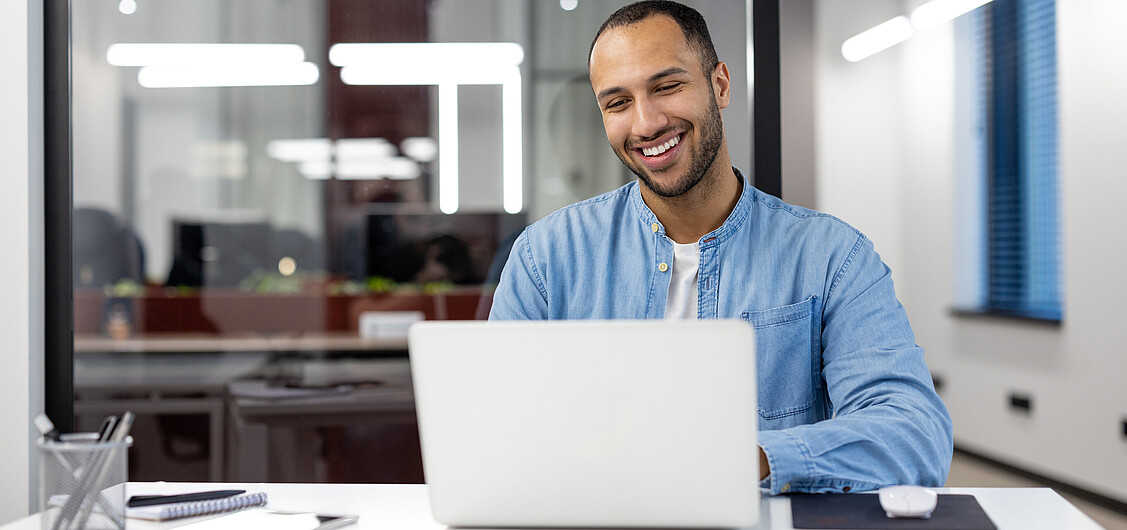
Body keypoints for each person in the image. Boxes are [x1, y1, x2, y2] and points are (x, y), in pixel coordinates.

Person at [489, 0, 953, 495]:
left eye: (666, 87)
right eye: (618, 103)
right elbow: (493, 428)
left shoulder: (832, 257)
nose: (645, 124)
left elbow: (914, 434)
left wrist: (745, 460)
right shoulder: (546, 257)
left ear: (720, 84)